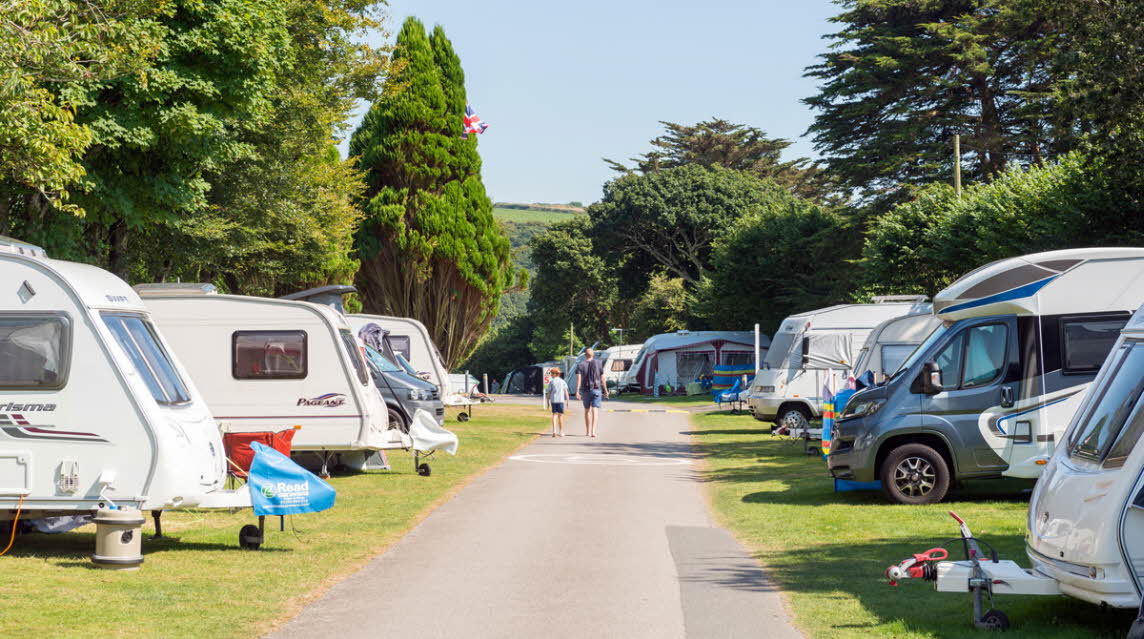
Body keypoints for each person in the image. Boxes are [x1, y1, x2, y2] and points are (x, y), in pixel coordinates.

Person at [573, 348, 608, 437]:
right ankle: (593, 431)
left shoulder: (580, 365)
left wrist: (577, 391)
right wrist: (606, 390)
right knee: (595, 409)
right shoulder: (599, 363)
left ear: (585, 355)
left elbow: (578, 379)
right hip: (597, 389)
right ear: (593, 355)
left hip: (585, 390)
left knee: (587, 410)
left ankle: (588, 431)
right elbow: (602, 378)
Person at [547, 368, 569, 437]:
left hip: (553, 401)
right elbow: (566, 392)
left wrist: (548, 401)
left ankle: (554, 431)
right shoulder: (563, 381)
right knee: (561, 416)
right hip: (560, 400)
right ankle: (561, 431)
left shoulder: (551, 382)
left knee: (554, 415)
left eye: (551, 373)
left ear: (555, 374)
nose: (551, 375)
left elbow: (549, 393)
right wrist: (567, 400)